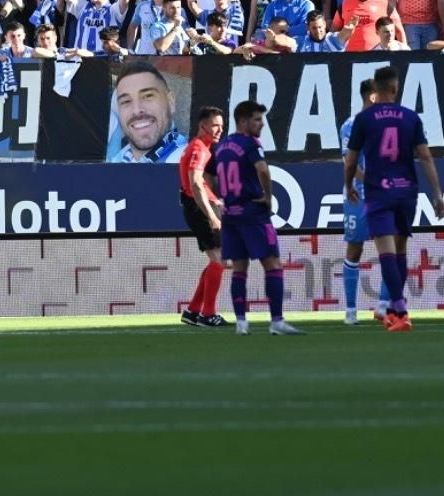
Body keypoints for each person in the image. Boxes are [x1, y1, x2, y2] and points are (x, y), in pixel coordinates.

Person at [343, 65, 444, 331]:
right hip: (407, 190)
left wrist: (349, 184)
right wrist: (437, 193)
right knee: (400, 250)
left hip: (379, 190)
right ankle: (392, 307)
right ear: (395, 88)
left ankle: (399, 308)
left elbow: (351, 159)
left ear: (376, 91)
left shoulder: (363, 120)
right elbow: (425, 156)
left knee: (386, 251)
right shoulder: (410, 117)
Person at [215, 100, 303, 336]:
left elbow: (208, 174)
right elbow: (263, 169)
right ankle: (276, 321)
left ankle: (241, 323)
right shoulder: (250, 143)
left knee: (239, 269)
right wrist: (267, 196)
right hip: (252, 212)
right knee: (272, 263)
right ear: (243, 121)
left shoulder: (223, 145)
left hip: (230, 214)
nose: (261, 124)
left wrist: (222, 196)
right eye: (256, 119)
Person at [177, 106, 228, 327]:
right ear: (202, 126)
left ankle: (193, 311)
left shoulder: (203, 147)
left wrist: (215, 201)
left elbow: (200, 184)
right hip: (198, 209)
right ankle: (207, 314)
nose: (219, 130)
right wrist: (212, 216)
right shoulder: (199, 148)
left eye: (222, 126)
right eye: (215, 125)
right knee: (221, 259)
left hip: (201, 206)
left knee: (218, 260)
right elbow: (195, 183)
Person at [338, 79, 376, 324]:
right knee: (355, 248)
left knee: (393, 246)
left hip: (384, 195)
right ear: (373, 96)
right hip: (358, 194)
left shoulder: (387, 124)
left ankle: (385, 307)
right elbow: (348, 161)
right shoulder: (351, 125)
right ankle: (351, 311)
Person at [108, 61, 185, 162]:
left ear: (170, 102)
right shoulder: (118, 158)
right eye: (126, 101)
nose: (136, 110)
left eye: (148, 96)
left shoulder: (185, 160)